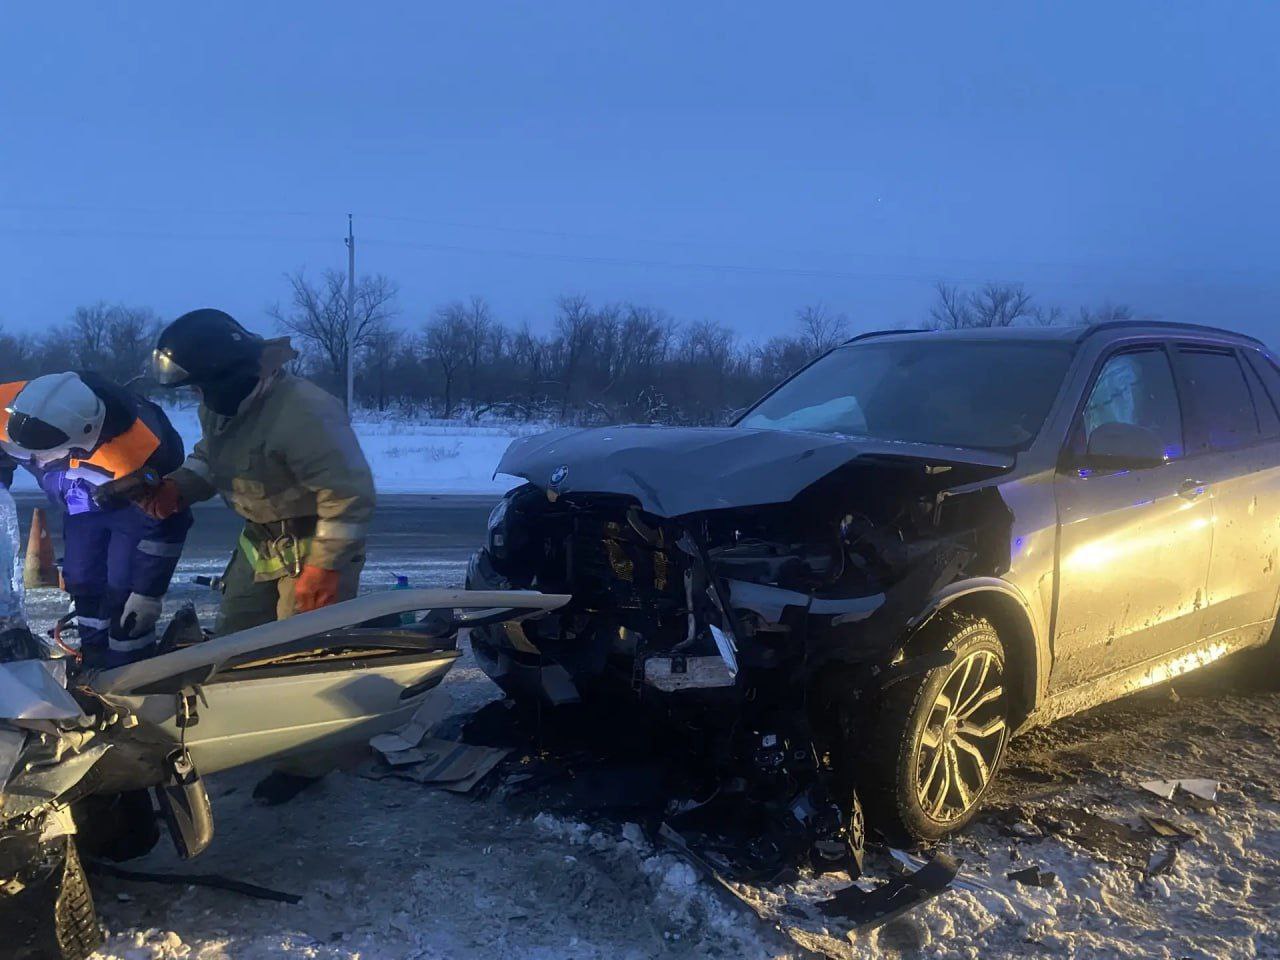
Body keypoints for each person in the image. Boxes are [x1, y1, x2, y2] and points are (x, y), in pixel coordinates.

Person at [140, 308, 374, 634]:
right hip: (261, 543)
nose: (196, 396)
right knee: (234, 643)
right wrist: (179, 487)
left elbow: (348, 495)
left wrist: (325, 567)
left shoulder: (304, 412)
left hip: (317, 547)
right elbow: (214, 454)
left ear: (225, 380)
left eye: (199, 388)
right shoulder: (222, 408)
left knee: (299, 648)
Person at [0, 372, 192, 666]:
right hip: (79, 506)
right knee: (83, 580)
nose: (38, 463)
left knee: (124, 596)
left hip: (125, 506)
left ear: (84, 441)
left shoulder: (141, 453)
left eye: (44, 456)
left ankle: (132, 670)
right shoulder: (8, 406)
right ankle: (93, 659)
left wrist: (148, 592)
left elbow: (167, 523)